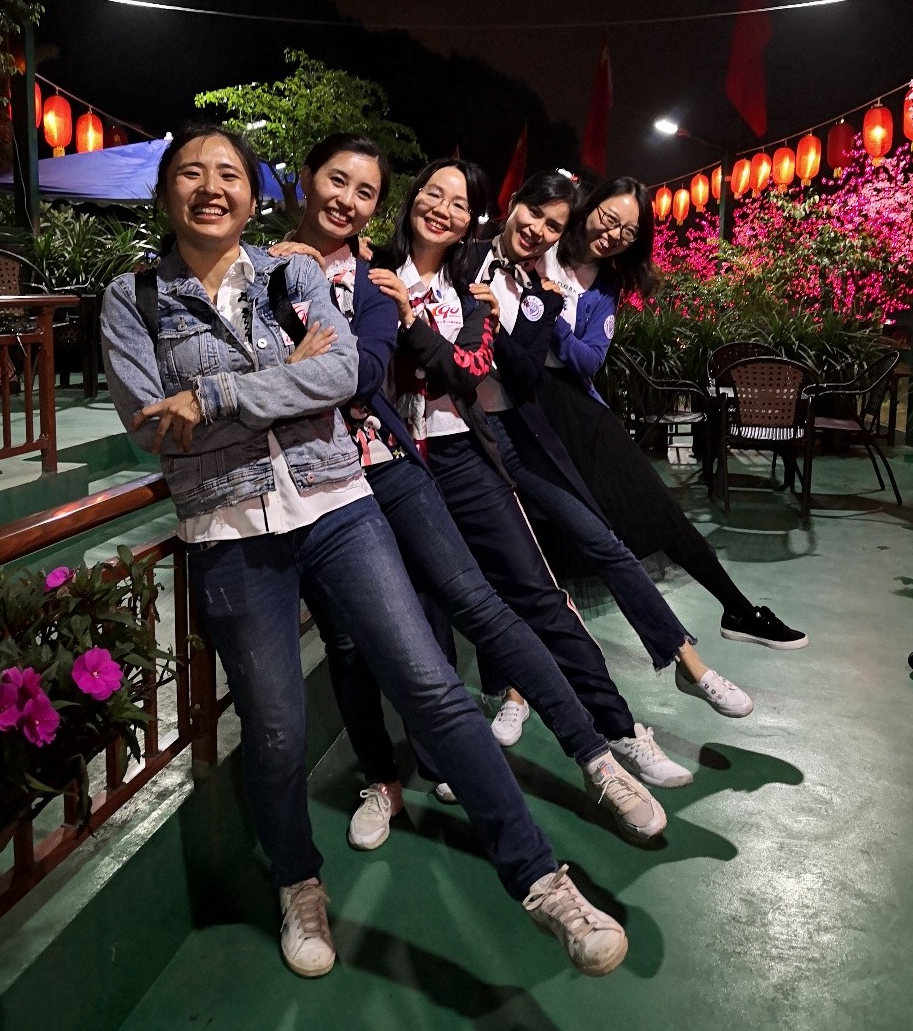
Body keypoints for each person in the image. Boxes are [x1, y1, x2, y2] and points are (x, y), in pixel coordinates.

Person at [100, 124, 631, 980]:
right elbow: (150, 426)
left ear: (253, 193)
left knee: (433, 688)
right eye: (190, 173)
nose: (210, 187)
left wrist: (210, 396)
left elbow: (341, 376)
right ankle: (297, 881)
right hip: (229, 532)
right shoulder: (133, 298)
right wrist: (273, 382)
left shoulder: (293, 274)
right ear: (166, 191)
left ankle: (541, 880)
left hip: (339, 504)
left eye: (228, 173)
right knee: (276, 731)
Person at [270, 134, 667, 849]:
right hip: (339, 470)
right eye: (434, 194)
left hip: (432, 457)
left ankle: (602, 748)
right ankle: (399, 774)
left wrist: (413, 323)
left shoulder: (465, 287)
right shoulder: (360, 268)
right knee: (371, 636)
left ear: (473, 218)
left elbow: (461, 369)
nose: (444, 210)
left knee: (498, 602)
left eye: (460, 204)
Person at [369, 161, 749, 797]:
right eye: (535, 214)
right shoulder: (457, 259)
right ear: (512, 203)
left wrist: (500, 322)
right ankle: (471, 735)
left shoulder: (543, 291)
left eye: (553, 225)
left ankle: (637, 710)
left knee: (572, 562)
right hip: (419, 449)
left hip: (504, 439)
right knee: (451, 597)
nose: (540, 230)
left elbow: (520, 374)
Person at [536, 175, 807, 651]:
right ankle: (535, 663)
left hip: (578, 410)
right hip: (526, 406)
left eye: (627, 232)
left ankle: (738, 609)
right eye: (609, 219)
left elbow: (587, 360)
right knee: (541, 532)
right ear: (589, 206)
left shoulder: (606, 284)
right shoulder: (543, 245)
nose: (613, 235)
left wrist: (550, 313)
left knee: (657, 508)